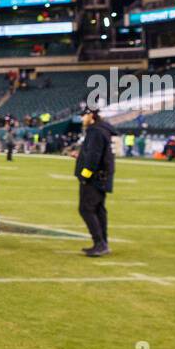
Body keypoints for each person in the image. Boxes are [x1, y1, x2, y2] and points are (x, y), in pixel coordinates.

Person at [75, 107, 115, 256]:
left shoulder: (96, 131)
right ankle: (103, 242)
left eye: (83, 115)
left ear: (91, 115)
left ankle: (100, 243)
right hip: (102, 177)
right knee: (98, 210)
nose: (81, 119)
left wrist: (85, 176)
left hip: (95, 178)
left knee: (86, 209)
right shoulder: (101, 130)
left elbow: (93, 157)